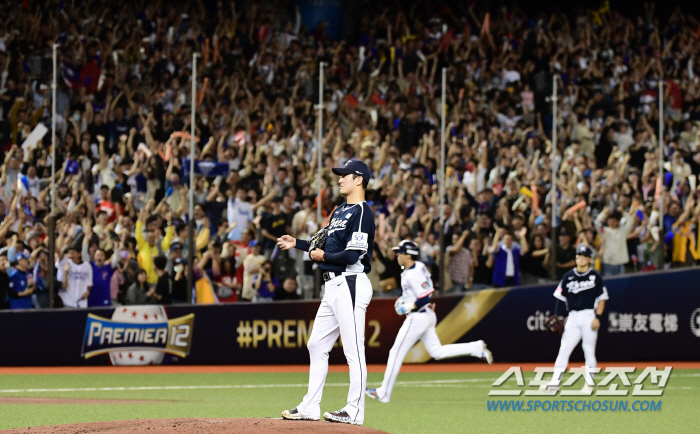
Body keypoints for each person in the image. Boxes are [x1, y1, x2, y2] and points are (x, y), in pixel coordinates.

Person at [278, 160, 375, 426]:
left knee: (354, 350)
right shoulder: (339, 211)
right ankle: (310, 406)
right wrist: (296, 243)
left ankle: (355, 410)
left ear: (359, 180)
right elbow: (319, 243)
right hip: (332, 285)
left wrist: (322, 256)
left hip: (351, 282)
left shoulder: (362, 212)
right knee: (317, 344)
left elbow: (352, 254)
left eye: (345, 175)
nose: (340, 179)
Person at [365, 240, 492, 403]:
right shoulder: (415, 268)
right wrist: (403, 299)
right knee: (437, 352)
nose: (397, 255)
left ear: (408, 255)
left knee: (395, 352)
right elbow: (420, 293)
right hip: (425, 315)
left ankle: (384, 392)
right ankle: (475, 348)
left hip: (418, 316)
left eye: (400, 252)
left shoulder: (414, 272)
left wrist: (407, 306)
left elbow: (425, 298)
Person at [547, 245, 609, 391]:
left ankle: (589, 384)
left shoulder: (595, 277)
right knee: (564, 349)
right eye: (578, 256)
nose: (580, 259)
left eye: (583, 256)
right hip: (573, 317)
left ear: (589, 259)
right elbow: (560, 298)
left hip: (589, 315)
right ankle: (555, 383)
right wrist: (557, 316)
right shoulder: (568, 276)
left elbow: (602, 299)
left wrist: (598, 317)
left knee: (588, 350)